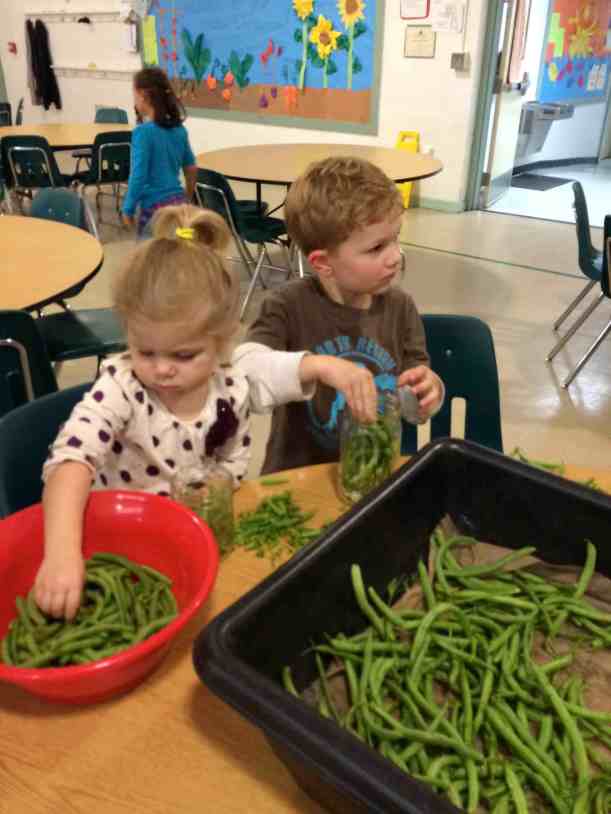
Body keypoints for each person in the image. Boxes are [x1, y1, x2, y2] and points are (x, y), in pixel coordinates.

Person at [35, 204, 377, 620]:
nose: (161, 368)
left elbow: (253, 410)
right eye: (145, 351)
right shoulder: (121, 387)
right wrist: (61, 553)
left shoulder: (230, 384)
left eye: (183, 354)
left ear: (221, 342)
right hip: (121, 550)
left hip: (195, 546)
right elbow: (71, 461)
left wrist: (323, 366)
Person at [244, 156, 445, 474]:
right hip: (297, 478)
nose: (395, 257)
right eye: (376, 248)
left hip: (373, 474)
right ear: (323, 263)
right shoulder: (286, 306)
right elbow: (243, 376)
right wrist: (316, 366)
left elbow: (412, 406)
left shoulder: (401, 308)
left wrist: (427, 392)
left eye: (395, 238)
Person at [122, 66, 198, 236]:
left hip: (155, 211)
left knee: (152, 258)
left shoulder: (142, 132)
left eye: (134, 95)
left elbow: (138, 175)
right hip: (180, 208)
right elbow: (191, 168)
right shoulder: (179, 129)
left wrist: (128, 208)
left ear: (143, 95)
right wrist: (187, 197)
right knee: (180, 253)